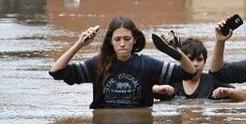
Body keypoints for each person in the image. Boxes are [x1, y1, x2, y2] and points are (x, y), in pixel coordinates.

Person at [49, 15, 198, 108]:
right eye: (117, 39)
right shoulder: (98, 64)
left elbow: (189, 73)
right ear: (111, 41)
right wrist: (79, 44)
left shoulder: (147, 65)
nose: (122, 44)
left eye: (127, 39)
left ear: (134, 41)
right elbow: (56, 72)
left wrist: (177, 51)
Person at [152, 36, 246, 102]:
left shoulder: (211, 81)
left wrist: (229, 92)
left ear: (205, 62)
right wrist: (156, 89)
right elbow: (142, 90)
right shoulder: (171, 80)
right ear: (182, 60)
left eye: (199, 60)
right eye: (190, 59)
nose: (195, 64)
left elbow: (243, 96)